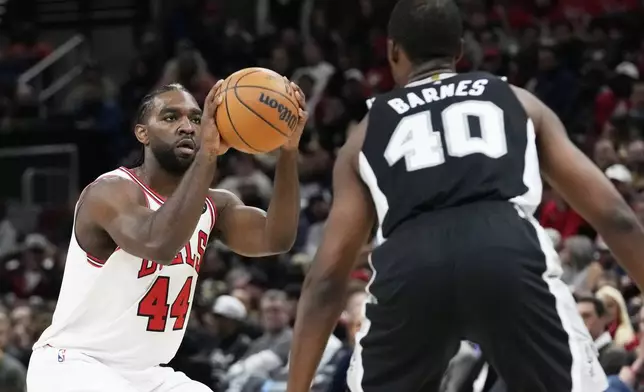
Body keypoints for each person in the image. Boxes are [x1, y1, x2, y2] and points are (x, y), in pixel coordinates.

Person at [285, 0, 644, 391]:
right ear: (459, 51)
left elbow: (326, 280)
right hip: (504, 246)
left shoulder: (364, 135)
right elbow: (617, 218)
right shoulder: (519, 101)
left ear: (392, 50)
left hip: (409, 262)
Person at [26, 79, 308, 392]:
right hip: (75, 365)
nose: (187, 126)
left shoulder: (216, 205)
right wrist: (208, 156)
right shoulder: (109, 191)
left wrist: (288, 150)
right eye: (171, 117)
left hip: (148, 374)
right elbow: (158, 243)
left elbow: (277, 238)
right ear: (142, 133)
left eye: (196, 119)